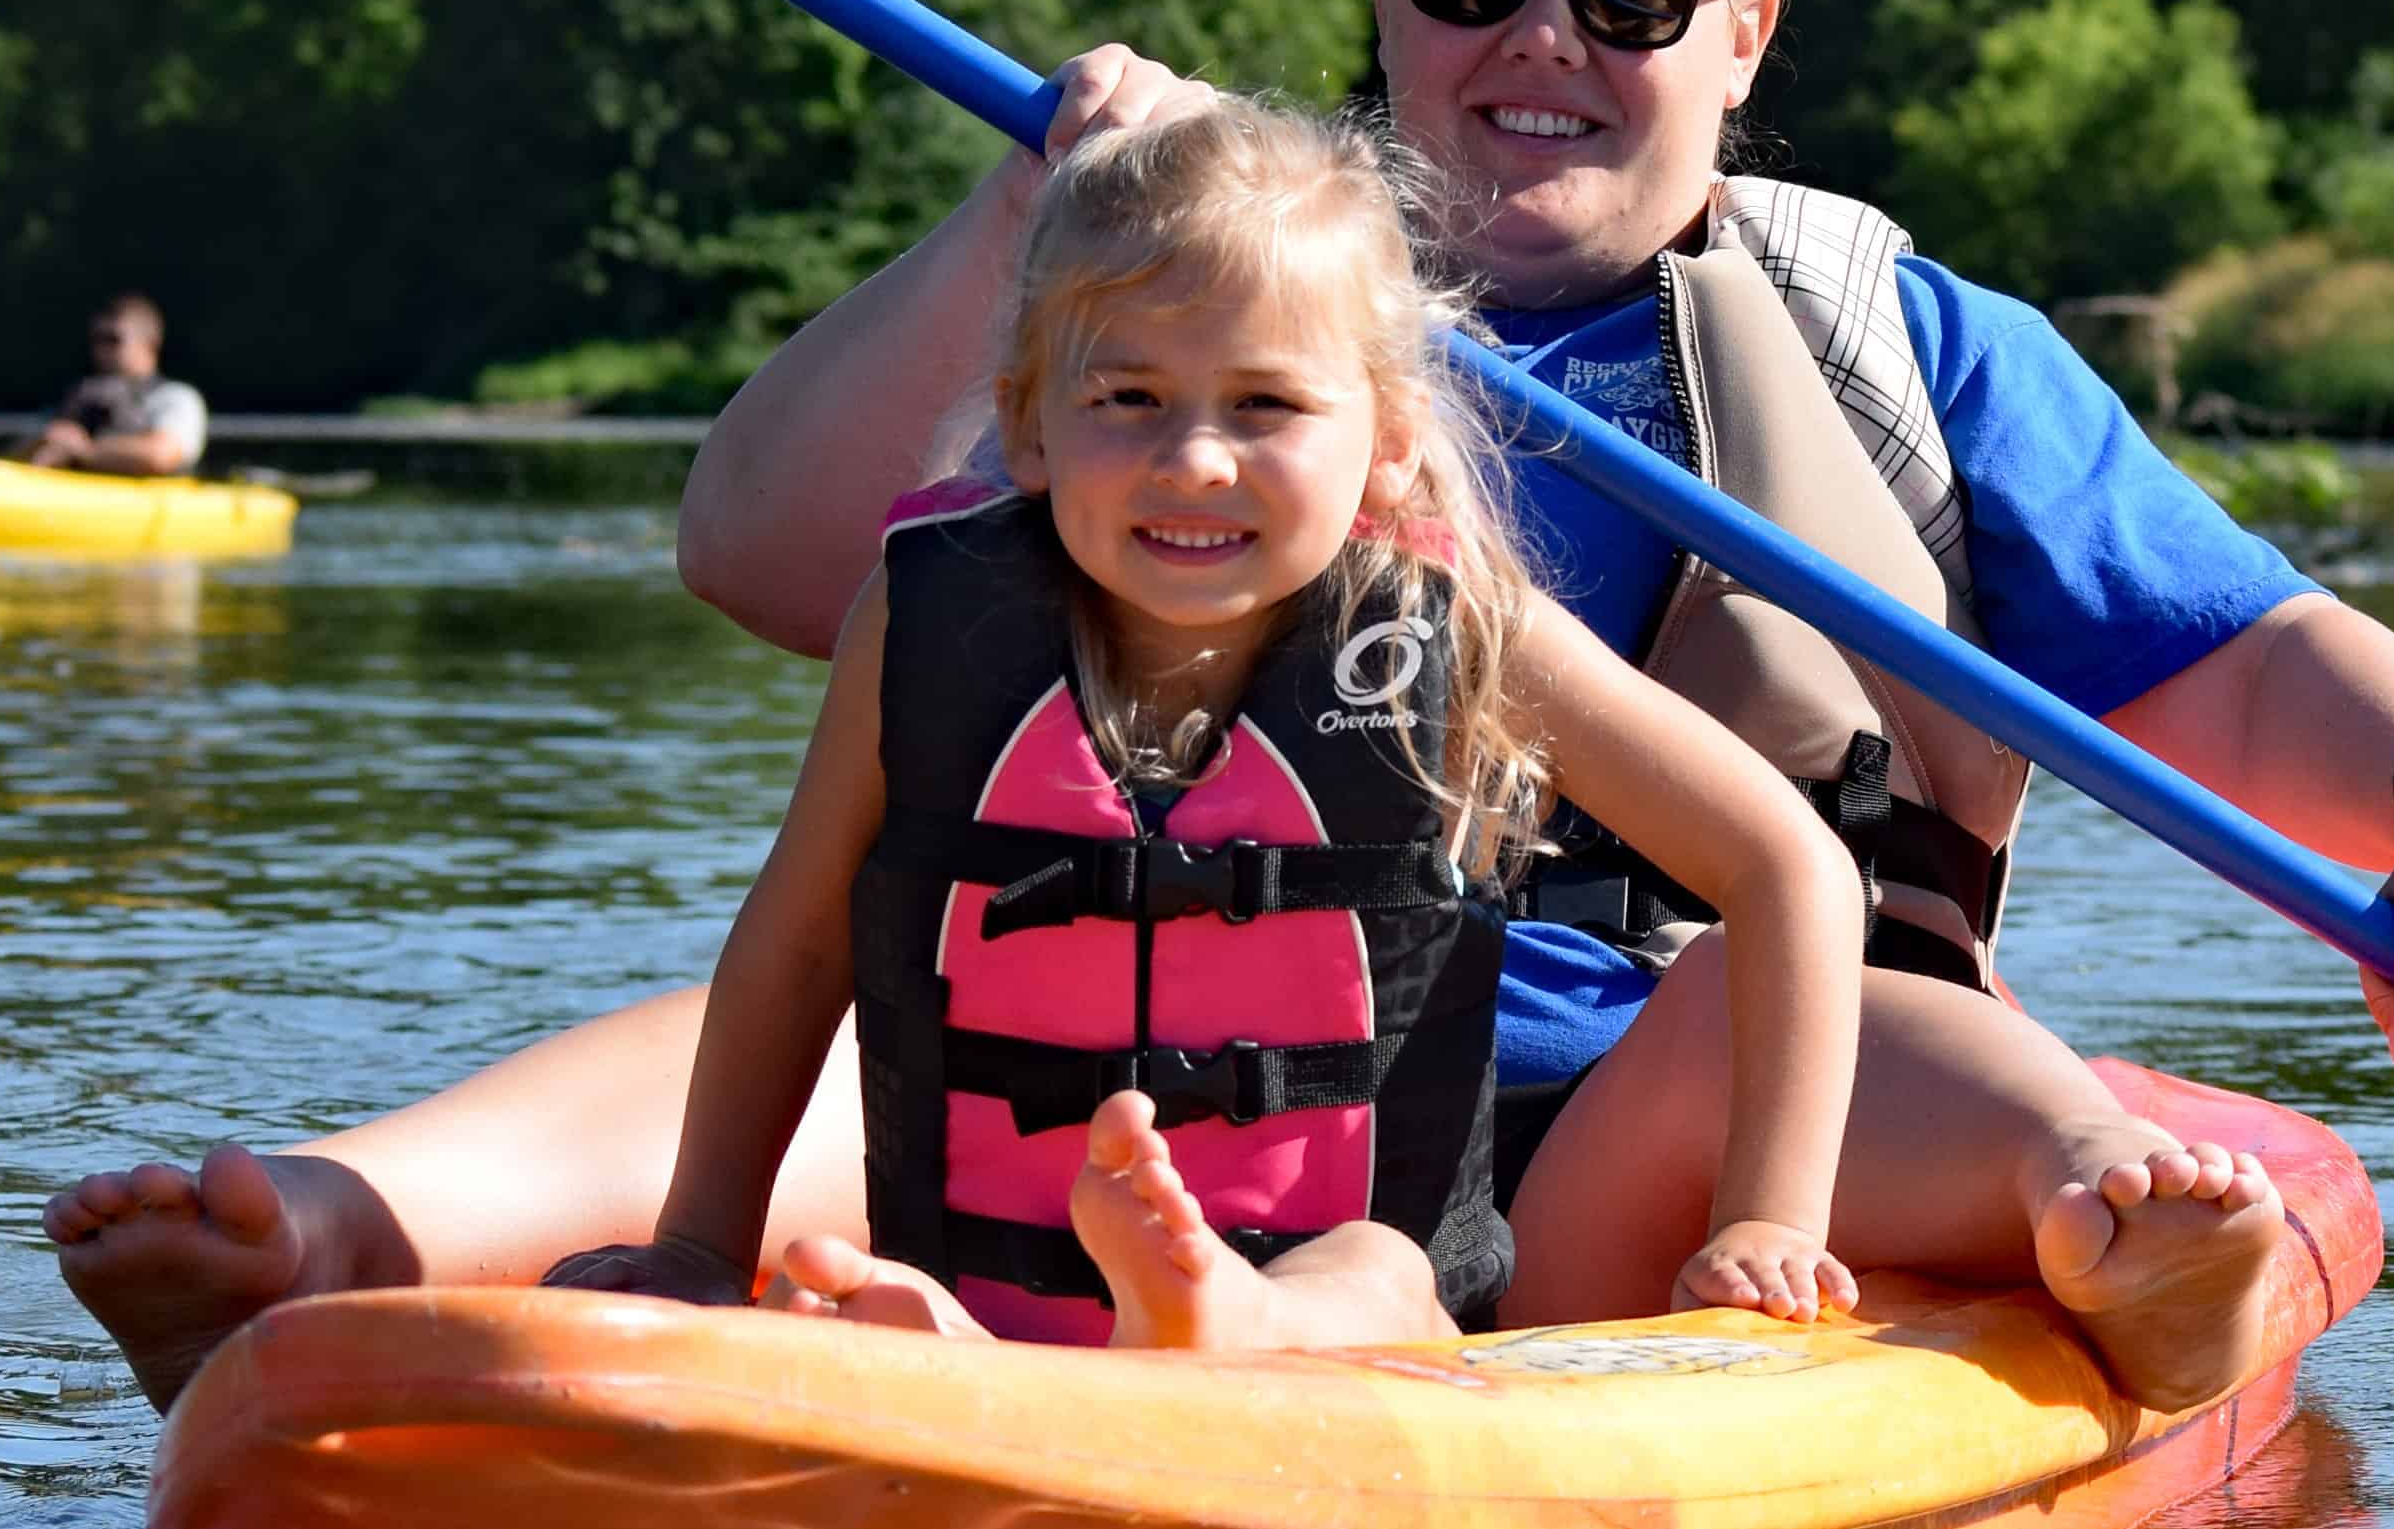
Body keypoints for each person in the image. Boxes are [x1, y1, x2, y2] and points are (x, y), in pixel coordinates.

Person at [47, 0, 2394, 1416]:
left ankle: (2119, 1243)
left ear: (1744, 33)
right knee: (869, 1018)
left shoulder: (1884, 333)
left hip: (1671, 1114)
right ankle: (344, 1237)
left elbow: (2234, 655)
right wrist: (1029, 206)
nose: (1542, 41)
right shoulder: (1186, 306)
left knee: (1796, 1008)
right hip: (1216, 1064)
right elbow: (770, 551)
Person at [552, 97, 1863, 1351]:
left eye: (1265, 405)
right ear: (1030, 425)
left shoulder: (1464, 633)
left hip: (1362, 1326)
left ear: (1391, 439)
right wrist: (701, 1247)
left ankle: (1235, 1324)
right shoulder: (922, 618)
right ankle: (967, 1339)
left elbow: (1788, 866)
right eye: (1128, 400)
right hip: (996, 1291)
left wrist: (1767, 1218)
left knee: (1378, 1264)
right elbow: (796, 941)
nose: (1193, 459)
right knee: (901, 1273)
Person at [29, 295, 208, 475]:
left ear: (150, 343)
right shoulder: (82, 395)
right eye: (97, 339)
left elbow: (160, 456)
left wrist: (83, 450)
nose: (102, 350)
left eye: (113, 339)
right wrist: (44, 442)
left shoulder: (175, 397)